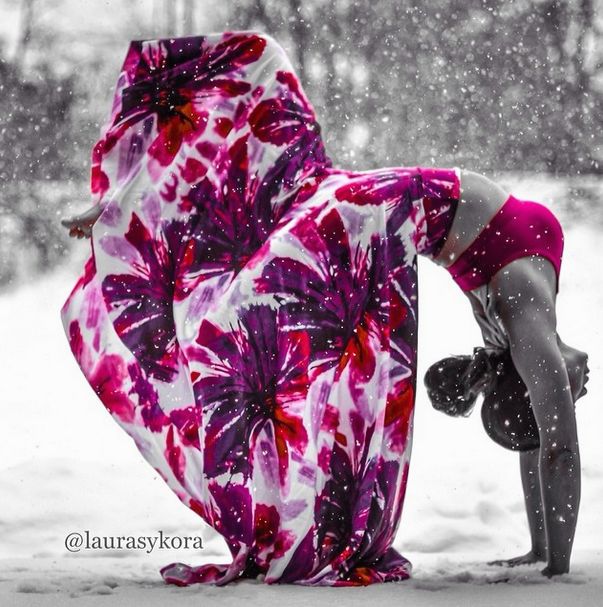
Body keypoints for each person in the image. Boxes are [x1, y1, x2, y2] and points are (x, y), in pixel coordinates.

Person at [59, 30, 587, 585]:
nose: (578, 389)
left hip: (376, 216)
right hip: (375, 209)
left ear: (522, 377)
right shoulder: (527, 325)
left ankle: (130, 216)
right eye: (566, 389)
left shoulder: (527, 328)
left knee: (256, 245)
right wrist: (549, 557)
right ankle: (130, 213)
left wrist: (546, 555)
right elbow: (552, 437)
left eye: (562, 390)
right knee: (266, 147)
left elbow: (549, 445)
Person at [422, 170, 589, 578]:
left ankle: (541, 545)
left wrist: (541, 549)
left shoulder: (520, 336)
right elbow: (560, 453)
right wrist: (557, 568)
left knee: (538, 417)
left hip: (490, 225)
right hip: (439, 203)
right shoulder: (523, 326)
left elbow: (540, 441)